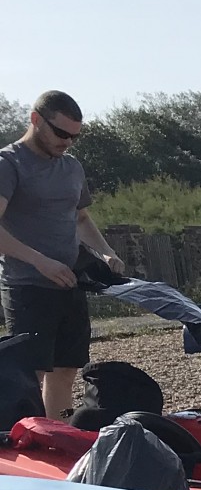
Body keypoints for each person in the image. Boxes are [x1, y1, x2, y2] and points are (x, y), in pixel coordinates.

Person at [0, 91, 122, 417]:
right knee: (29, 375)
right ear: (36, 120)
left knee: (66, 370)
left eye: (74, 137)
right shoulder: (8, 163)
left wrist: (106, 253)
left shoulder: (72, 168)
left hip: (70, 284)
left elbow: (81, 218)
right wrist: (39, 261)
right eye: (61, 133)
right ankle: (26, 451)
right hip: (27, 286)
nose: (67, 142)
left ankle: (58, 441)